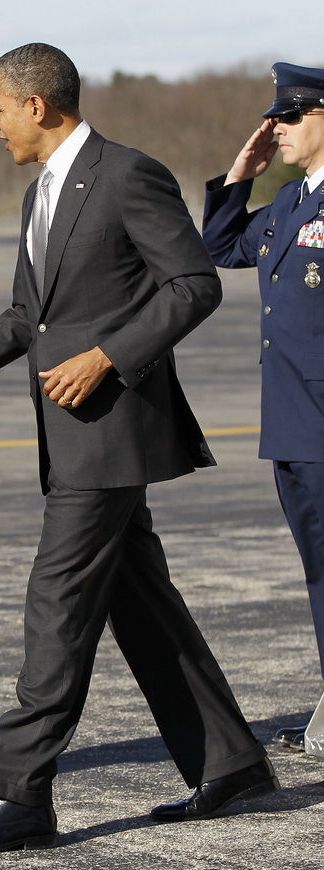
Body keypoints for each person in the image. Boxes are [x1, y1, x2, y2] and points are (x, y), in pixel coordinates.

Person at [0, 43, 278, 854]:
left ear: (38, 104)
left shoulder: (127, 175)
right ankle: (230, 761)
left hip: (112, 433)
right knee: (140, 601)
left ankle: (18, 793)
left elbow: (193, 282)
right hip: (71, 440)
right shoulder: (40, 196)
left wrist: (109, 356)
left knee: (55, 606)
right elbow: (27, 320)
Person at [203, 62, 324, 752]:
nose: (274, 128)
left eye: (291, 116)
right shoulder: (289, 204)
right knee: (320, 575)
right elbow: (220, 246)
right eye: (272, 118)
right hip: (294, 426)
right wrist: (238, 175)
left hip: (321, 424)